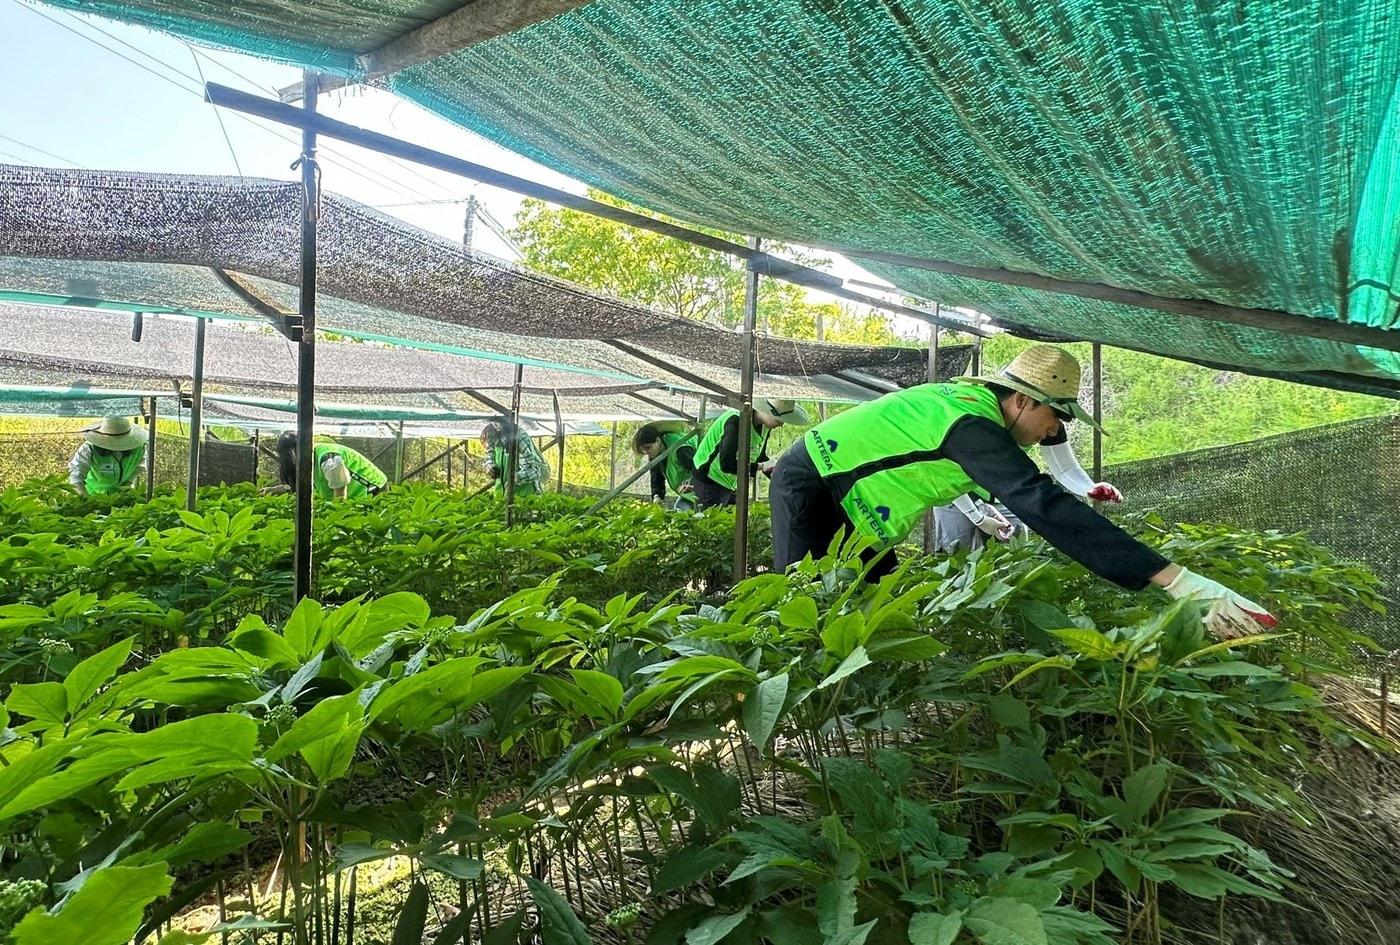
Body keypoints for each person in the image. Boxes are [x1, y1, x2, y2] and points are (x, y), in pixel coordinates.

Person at [768, 344, 1274, 639]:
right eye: (1055, 415)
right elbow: (1039, 503)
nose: (1053, 430)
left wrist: (1080, 485)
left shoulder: (976, 409)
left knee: (876, 609)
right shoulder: (971, 423)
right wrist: (1172, 578)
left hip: (852, 501)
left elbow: (1046, 480)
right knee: (808, 605)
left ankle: (858, 711)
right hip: (811, 485)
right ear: (1020, 401)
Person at [935, 426, 1124, 552]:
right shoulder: (975, 425)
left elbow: (1065, 467)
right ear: (1022, 402)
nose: (1049, 432)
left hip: (1000, 494)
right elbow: (945, 477)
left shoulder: (1049, 422)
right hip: (953, 497)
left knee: (1014, 554)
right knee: (958, 557)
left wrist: (1089, 488)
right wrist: (978, 518)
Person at [689, 398, 810, 509]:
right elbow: (727, 465)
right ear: (766, 411)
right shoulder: (735, 421)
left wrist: (777, 472)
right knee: (712, 526)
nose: (781, 424)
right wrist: (761, 466)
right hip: (708, 479)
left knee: (732, 524)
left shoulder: (765, 426)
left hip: (730, 482)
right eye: (779, 420)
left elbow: (759, 456)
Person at [271, 431, 388, 501]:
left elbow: (340, 493)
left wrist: (335, 519)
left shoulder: (328, 458)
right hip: (357, 495)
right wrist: (273, 490)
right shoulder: (308, 462)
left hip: (374, 490)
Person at [68, 415, 147, 497]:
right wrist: (87, 501)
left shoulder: (139, 448)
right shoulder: (89, 449)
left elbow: (138, 467)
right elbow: (75, 477)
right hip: (92, 494)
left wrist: (125, 487)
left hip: (119, 496)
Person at [633, 421, 699, 511]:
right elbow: (656, 477)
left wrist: (693, 484)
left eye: (648, 448)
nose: (647, 453)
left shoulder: (680, 449)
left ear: (658, 440)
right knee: (680, 512)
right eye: (643, 451)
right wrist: (657, 496)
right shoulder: (654, 455)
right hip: (688, 493)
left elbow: (700, 470)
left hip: (708, 485)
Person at [481, 418, 550, 496]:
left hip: (524, 495)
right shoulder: (492, 434)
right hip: (501, 494)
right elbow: (489, 455)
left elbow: (534, 470)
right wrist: (490, 467)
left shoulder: (520, 437)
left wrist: (516, 477)